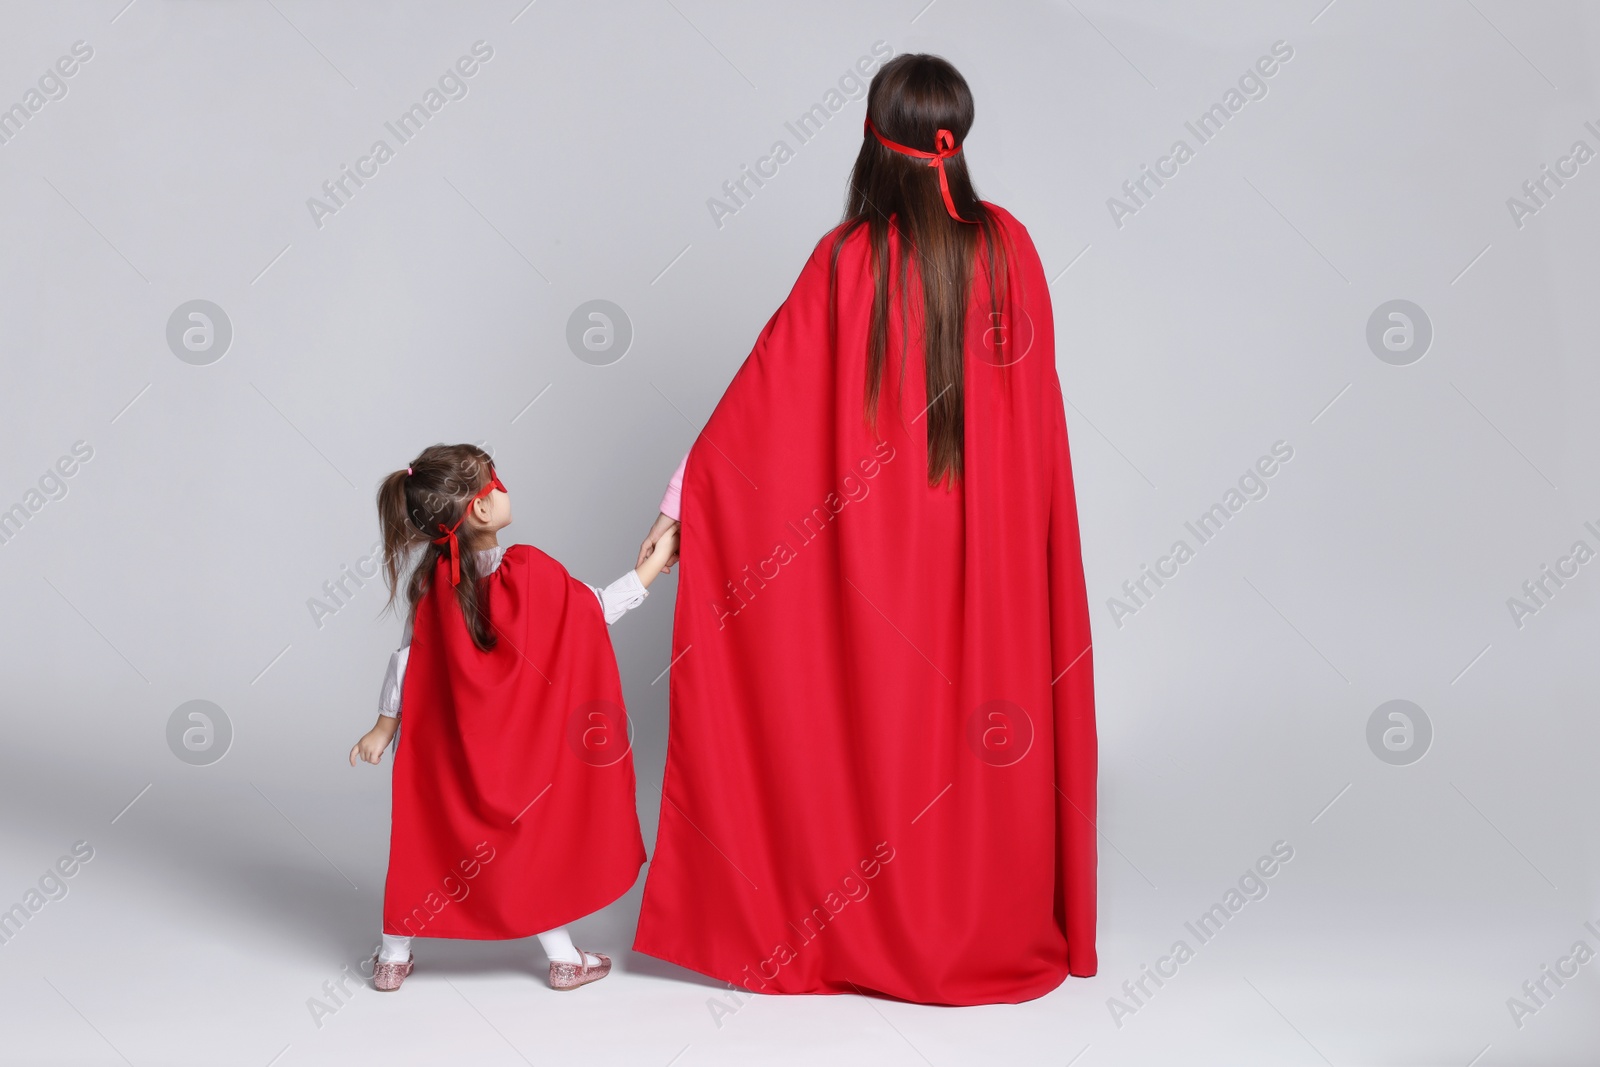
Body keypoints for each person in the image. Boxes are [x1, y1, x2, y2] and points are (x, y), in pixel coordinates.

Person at [631, 54, 1097, 1005]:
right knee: (975, 735)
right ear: (953, 139)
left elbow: (754, 414)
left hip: (876, 572)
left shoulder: (848, 260)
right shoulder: (1010, 248)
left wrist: (684, 504)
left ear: (873, 141)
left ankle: (857, 919)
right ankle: (975, 921)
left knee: (871, 724)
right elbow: (1035, 424)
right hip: (992, 561)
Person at [350, 443, 678, 992]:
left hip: (447, 752)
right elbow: (593, 611)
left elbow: (407, 656)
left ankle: (391, 956)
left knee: (424, 839)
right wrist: (651, 567)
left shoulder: (433, 586)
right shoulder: (528, 571)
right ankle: (565, 959)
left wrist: (385, 726)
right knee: (529, 843)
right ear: (480, 508)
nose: (504, 490)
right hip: (519, 755)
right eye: (496, 482)